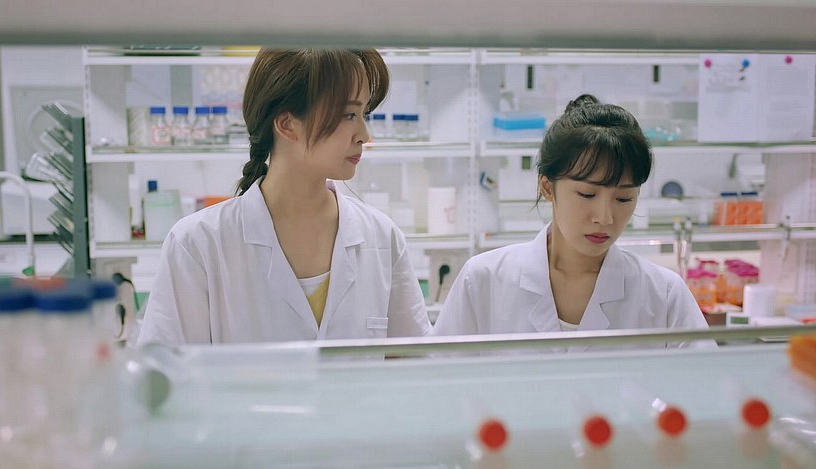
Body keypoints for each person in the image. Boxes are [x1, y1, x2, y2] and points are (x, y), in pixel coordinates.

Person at [137, 49, 431, 345]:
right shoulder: (197, 244)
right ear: (287, 124)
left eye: (364, 114)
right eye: (348, 115)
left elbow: (417, 363)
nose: (364, 135)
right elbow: (164, 369)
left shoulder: (382, 237)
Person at [433, 94, 710, 348]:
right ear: (547, 187)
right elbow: (440, 377)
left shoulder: (664, 295)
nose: (605, 218)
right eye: (587, 194)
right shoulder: (483, 280)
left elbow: (702, 381)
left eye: (623, 198)